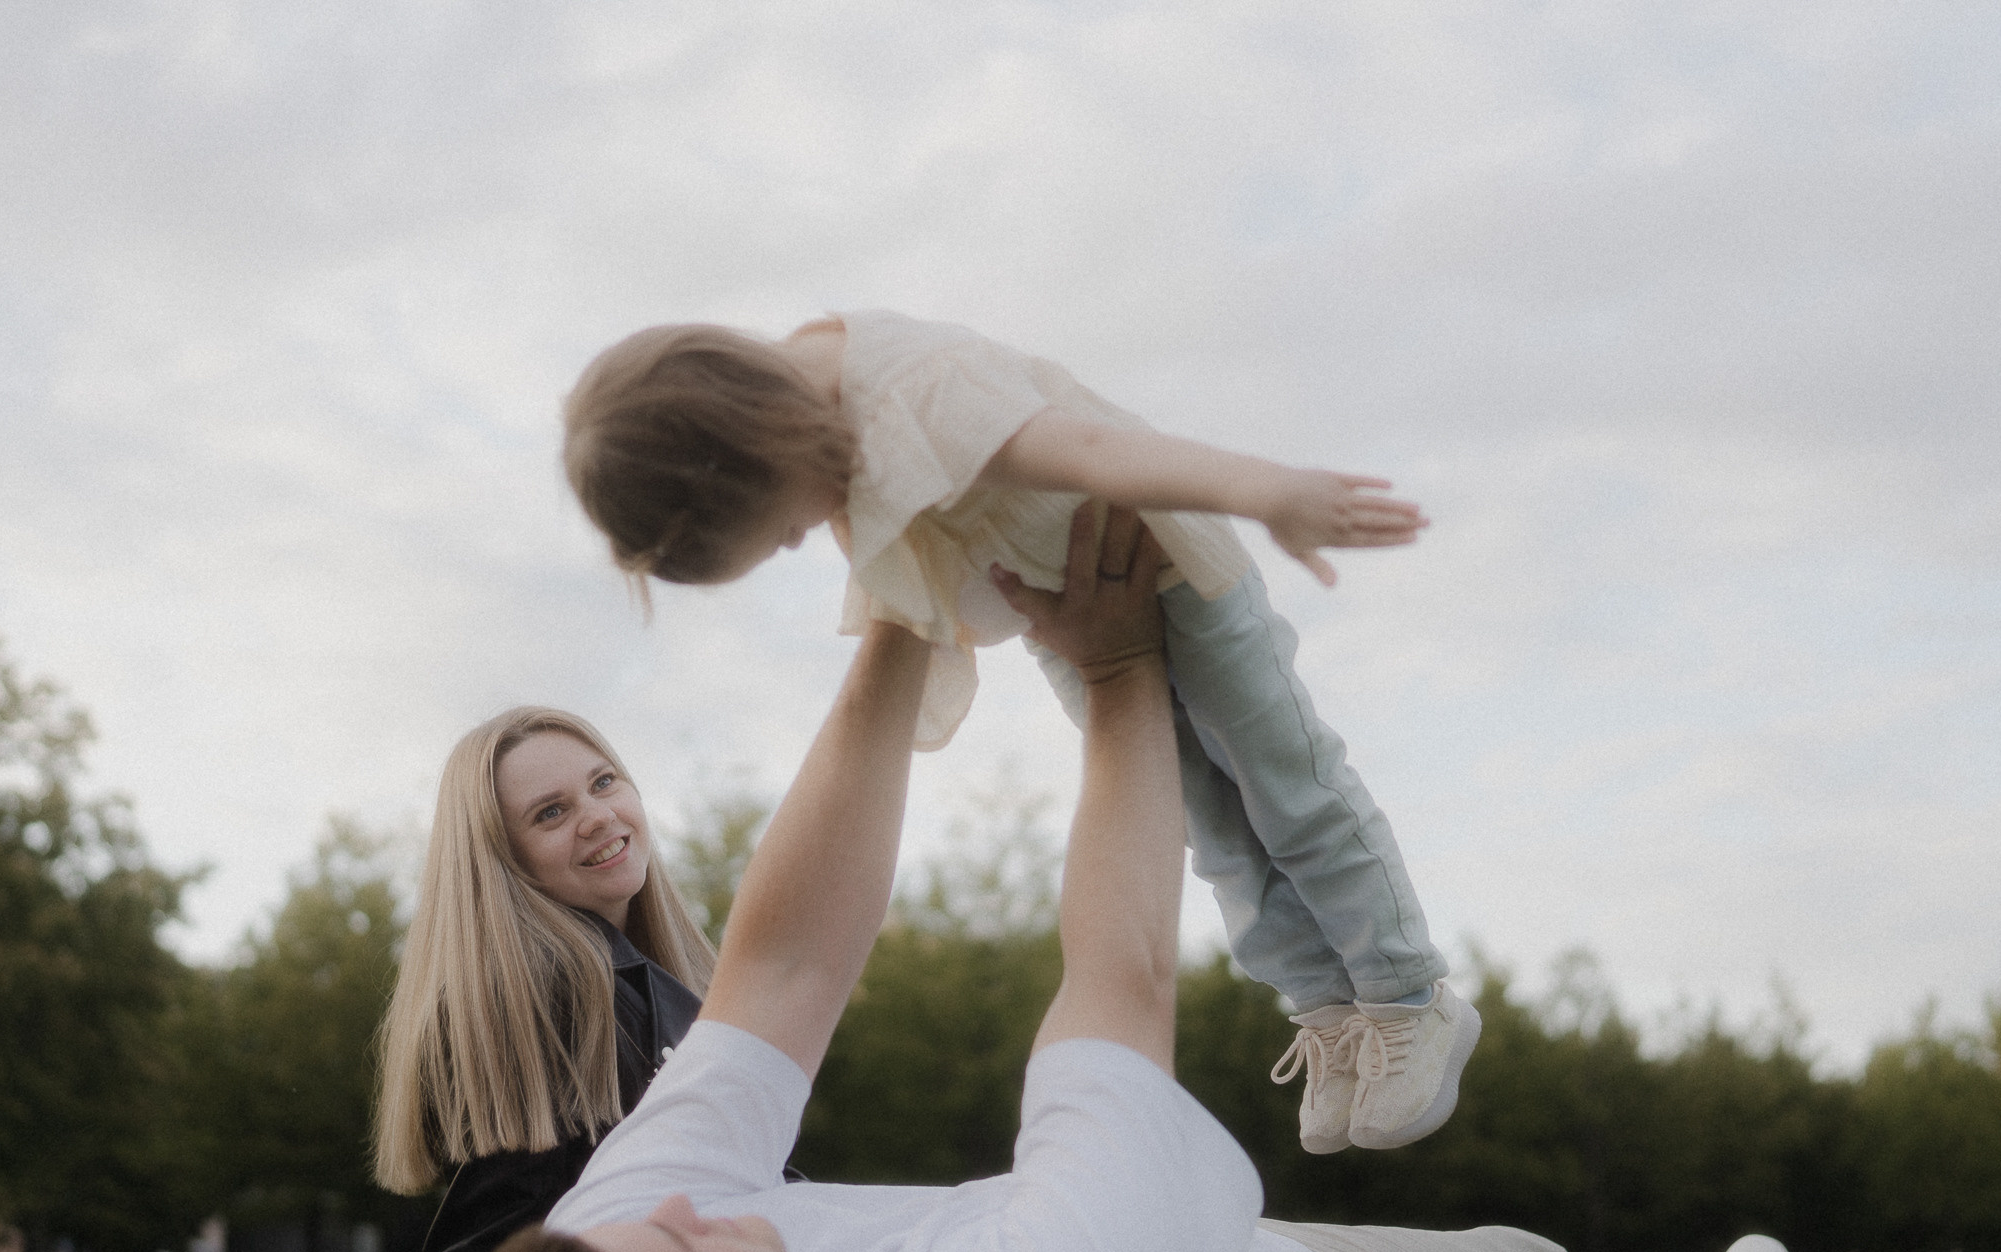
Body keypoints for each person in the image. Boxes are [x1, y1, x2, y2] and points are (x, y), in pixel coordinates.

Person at [431, 504, 1799, 1252]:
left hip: (1083, 1222)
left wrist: (908, 609)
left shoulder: (617, 1248)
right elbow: (1121, 977)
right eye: (680, 1240)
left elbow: (780, 970)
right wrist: (1120, 665)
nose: (678, 1202)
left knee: (1096, 1204)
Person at [562, 310, 1473, 1153]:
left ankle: (1405, 991)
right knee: (1212, 832)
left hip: (1172, 573)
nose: (806, 541)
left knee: (1287, 786)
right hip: (1067, 617)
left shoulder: (918, 391)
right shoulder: (813, 420)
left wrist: (1268, 491)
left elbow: (1092, 449)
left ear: (763, 449)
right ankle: (1325, 1004)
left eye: (784, 529)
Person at [361, 706, 718, 1252]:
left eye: (603, 782)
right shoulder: (547, 996)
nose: (597, 817)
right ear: (504, 859)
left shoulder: (662, 980)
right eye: (551, 813)